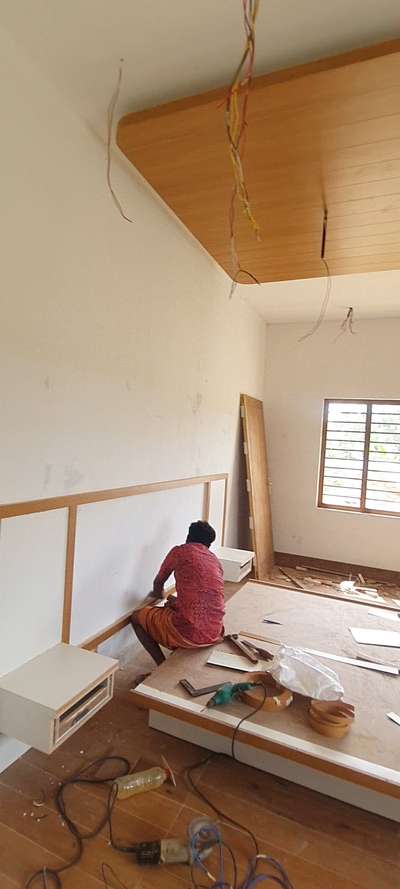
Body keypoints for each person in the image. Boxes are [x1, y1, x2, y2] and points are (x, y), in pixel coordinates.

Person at [131, 520, 225, 665]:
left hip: (189, 633)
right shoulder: (214, 560)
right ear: (209, 544)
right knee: (173, 602)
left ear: (188, 537)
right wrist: (176, 603)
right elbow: (206, 594)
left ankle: (161, 665)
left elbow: (158, 582)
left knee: (136, 617)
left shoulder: (179, 552)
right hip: (214, 630)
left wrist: (157, 594)